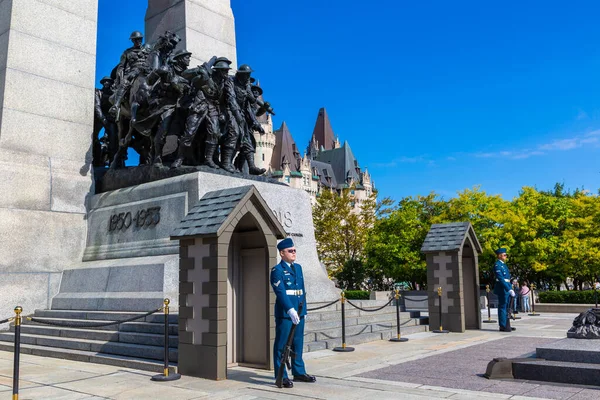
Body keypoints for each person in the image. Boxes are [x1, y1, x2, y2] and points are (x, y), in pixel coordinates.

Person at [270, 238, 316, 388]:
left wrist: (304, 311)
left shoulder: (298, 268)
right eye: (290, 251)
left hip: (299, 313)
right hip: (285, 314)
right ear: (282, 253)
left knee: (298, 343)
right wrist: (290, 310)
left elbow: (302, 291)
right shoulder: (277, 271)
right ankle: (281, 376)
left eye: (295, 250)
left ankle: (298, 372)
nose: (294, 253)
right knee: (282, 346)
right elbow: (281, 292)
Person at [493, 248, 516, 332]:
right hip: (502, 287)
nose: (506, 256)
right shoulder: (497, 265)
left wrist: (510, 286)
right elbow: (501, 278)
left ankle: (507, 324)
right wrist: (508, 289)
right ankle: (503, 325)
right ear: (499, 256)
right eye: (504, 255)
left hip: (507, 286)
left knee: (507, 307)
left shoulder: (503, 265)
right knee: (503, 306)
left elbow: (507, 278)